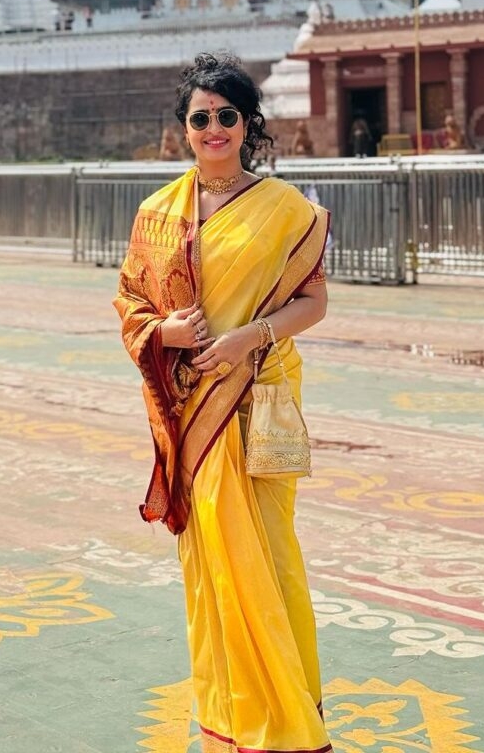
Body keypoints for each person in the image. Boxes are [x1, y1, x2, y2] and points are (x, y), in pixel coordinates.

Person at [113, 52, 332, 753]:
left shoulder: (284, 209)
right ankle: (233, 719)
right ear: (183, 128)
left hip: (255, 402)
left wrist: (248, 337)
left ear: (247, 125)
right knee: (211, 568)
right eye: (199, 118)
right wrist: (165, 331)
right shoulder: (156, 214)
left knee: (267, 557)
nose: (213, 129)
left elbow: (314, 301)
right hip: (193, 412)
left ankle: (287, 720)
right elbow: (131, 306)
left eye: (225, 116)